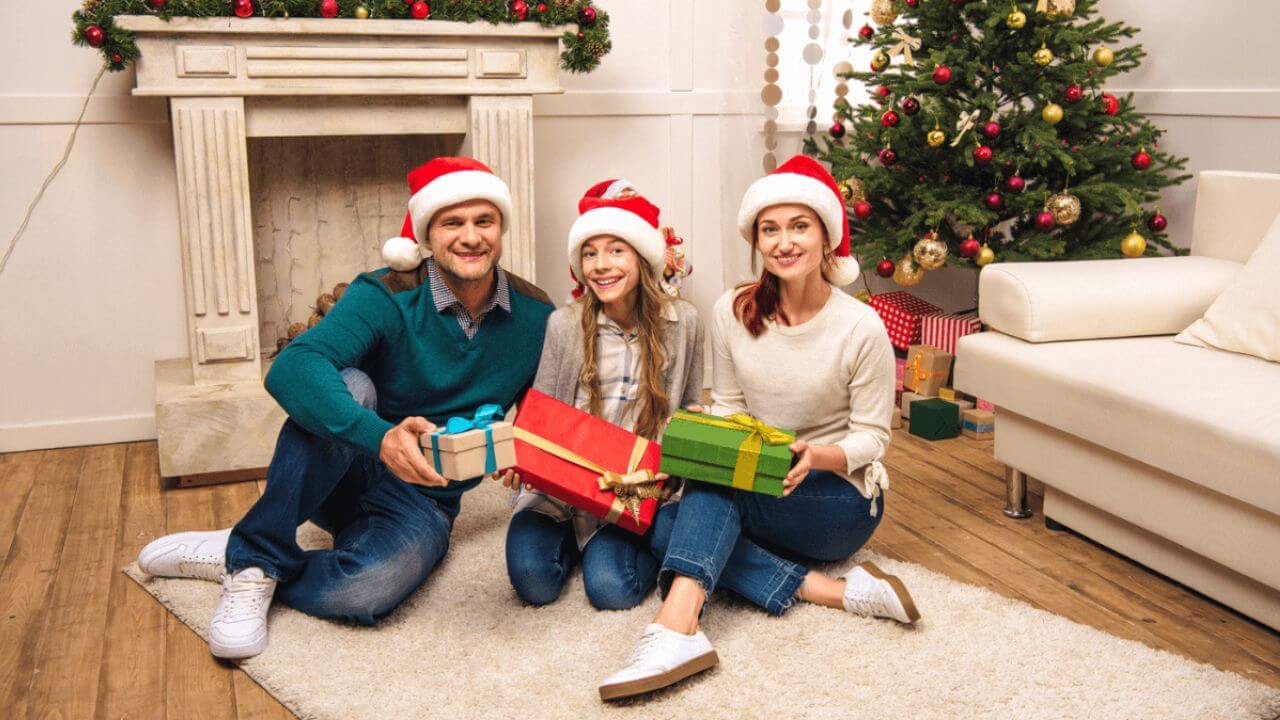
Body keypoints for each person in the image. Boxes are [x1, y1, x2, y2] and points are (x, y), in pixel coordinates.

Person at [136, 157, 554, 659]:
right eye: (452, 223)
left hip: (427, 498)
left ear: (501, 227)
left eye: (484, 221)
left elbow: (544, 407)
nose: (470, 237)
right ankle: (259, 558)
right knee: (350, 384)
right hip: (348, 467)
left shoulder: (536, 316)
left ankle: (242, 553)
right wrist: (379, 436)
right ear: (427, 235)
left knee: (365, 592)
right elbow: (292, 366)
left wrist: (522, 452)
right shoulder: (384, 293)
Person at [598, 155, 919, 701]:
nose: (784, 243)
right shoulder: (733, 310)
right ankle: (834, 592)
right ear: (756, 240)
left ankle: (676, 628)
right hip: (755, 477)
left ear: (826, 238)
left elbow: (873, 438)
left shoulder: (860, 326)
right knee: (666, 522)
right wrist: (707, 430)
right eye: (770, 229)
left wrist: (814, 457)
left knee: (700, 504)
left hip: (837, 499)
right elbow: (729, 406)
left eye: (799, 227)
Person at [502, 185, 704, 610]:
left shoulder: (683, 322)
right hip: (560, 486)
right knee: (533, 585)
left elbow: (688, 407)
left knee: (612, 590)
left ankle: (610, 546)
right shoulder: (564, 324)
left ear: (642, 258)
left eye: (616, 250)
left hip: (630, 487)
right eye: (589, 253)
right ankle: (571, 540)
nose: (601, 265)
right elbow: (542, 415)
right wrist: (519, 459)